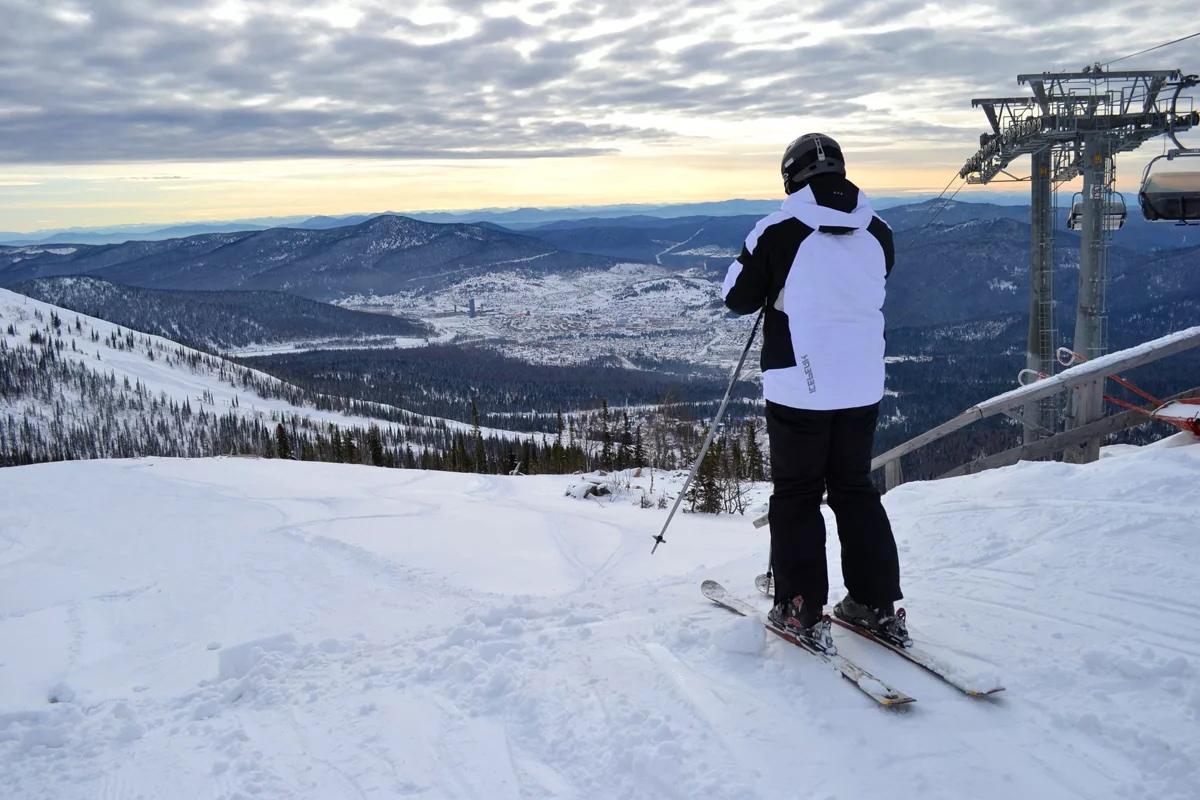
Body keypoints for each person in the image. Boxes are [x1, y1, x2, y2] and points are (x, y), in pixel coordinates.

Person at [721, 133, 909, 653]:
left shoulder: (779, 230)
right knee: (853, 488)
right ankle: (875, 602)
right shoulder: (880, 229)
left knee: (798, 493)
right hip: (863, 384)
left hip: (798, 384)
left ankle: (801, 606)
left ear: (790, 177)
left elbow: (737, 297)